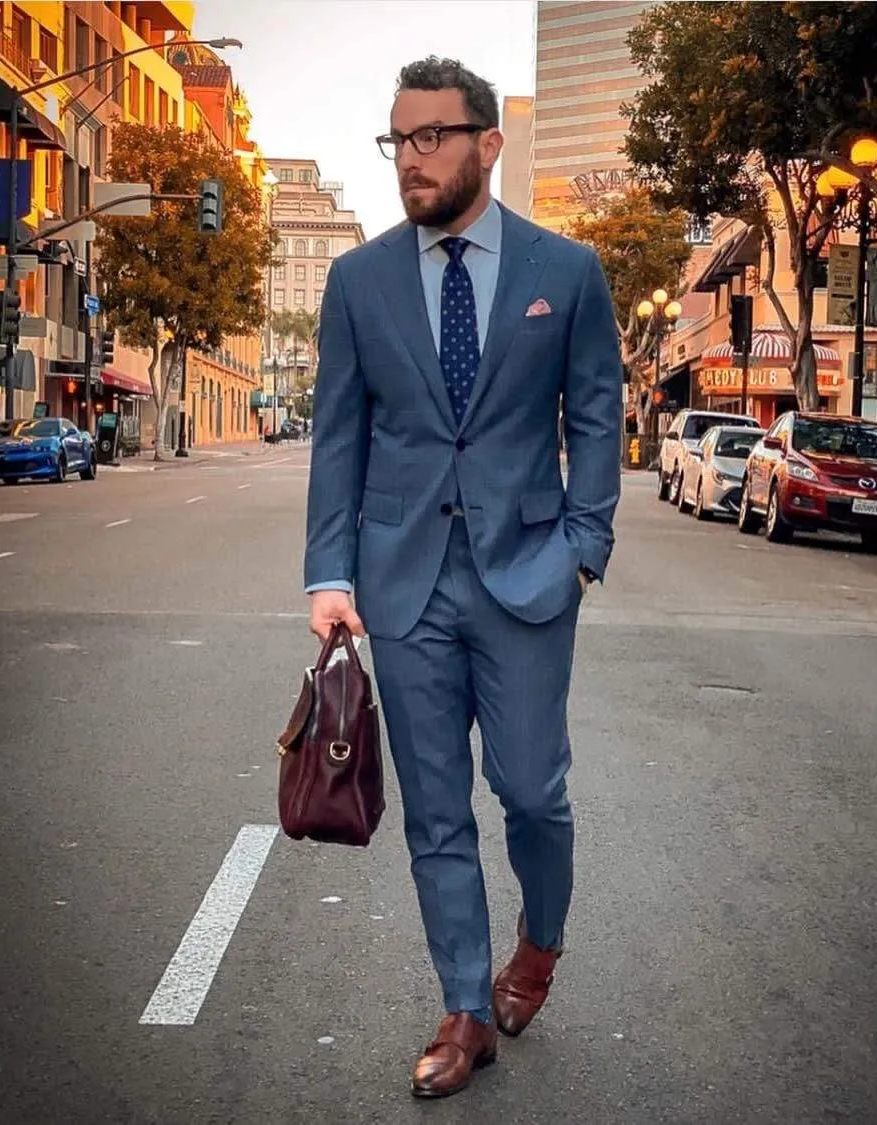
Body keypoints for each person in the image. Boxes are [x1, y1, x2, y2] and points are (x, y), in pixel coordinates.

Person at [304, 56, 621, 1099]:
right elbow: (339, 436)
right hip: (402, 584)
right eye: (399, 140)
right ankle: (465, 1009)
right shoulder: (359, 281)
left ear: (488, 143)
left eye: (434, 136)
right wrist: (329, 573)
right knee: (436, 811)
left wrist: (583, 547)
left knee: (532, 794)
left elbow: (596, 419)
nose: (413, 158)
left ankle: (540, 941)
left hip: (528, 574)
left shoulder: (565, 272)